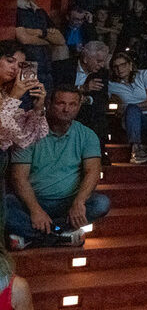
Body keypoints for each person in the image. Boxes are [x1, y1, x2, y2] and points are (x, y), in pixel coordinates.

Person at [7, 86, 108, 249]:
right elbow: (19, 177)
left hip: (68, 202)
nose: (66, 109)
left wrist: (79, 202)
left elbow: (93, 171)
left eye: (72, 104)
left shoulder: (87, 135)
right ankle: (61, 235)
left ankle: (32, 235)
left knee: (101, 203)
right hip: (32, 200)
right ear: (49, 103)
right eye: (61, 103)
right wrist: (35, 210)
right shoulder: (29, 131)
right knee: (5, 204)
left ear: (79, 106)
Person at [0, 40, 48, 212]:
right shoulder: (11, 95)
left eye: (20, 65)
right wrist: (14, 96)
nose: (15, 68)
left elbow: (23, 139)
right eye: (10, 61)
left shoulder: (6, 93)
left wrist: (38, 107)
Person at [15, 0, 65, 90]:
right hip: (26, 65)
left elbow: (60, 40)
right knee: (27, 98)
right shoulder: (14, 9)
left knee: (44, 99)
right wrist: (48, 40)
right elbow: (24, 39)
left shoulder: (39, 11)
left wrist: (39, 32)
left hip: (46, 66)